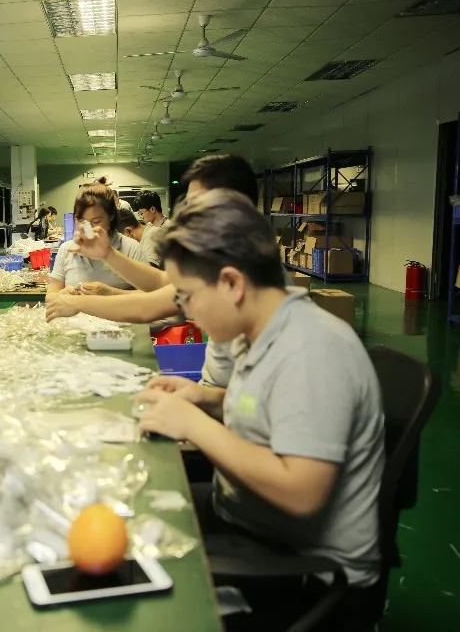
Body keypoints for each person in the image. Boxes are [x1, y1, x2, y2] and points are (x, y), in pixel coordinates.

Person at [134, 190, 385, 629]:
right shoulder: (263, 330)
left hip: (302, 570)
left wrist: (194, 425)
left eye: (188, 296)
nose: (185, 311)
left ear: (232, 283)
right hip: (249, 520)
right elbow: (268, 407)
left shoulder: (310, 349)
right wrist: (205, 399)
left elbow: (301, 492)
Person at [45, 154, 263, 386]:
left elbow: (150, 307)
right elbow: (162, 282)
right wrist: (107, 254)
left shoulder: (234, 272)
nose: (187, 217)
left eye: (198, 208)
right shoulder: (220, 260)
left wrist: (80, 302)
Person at [46, 181, 148, 296]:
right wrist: (62, 294)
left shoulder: (132, 249)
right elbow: (51, 295)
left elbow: (152, 296)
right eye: (81, 220)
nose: (87, 228)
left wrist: (111, 293)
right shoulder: (67, 249)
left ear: (111, 216)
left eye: (96, 221)